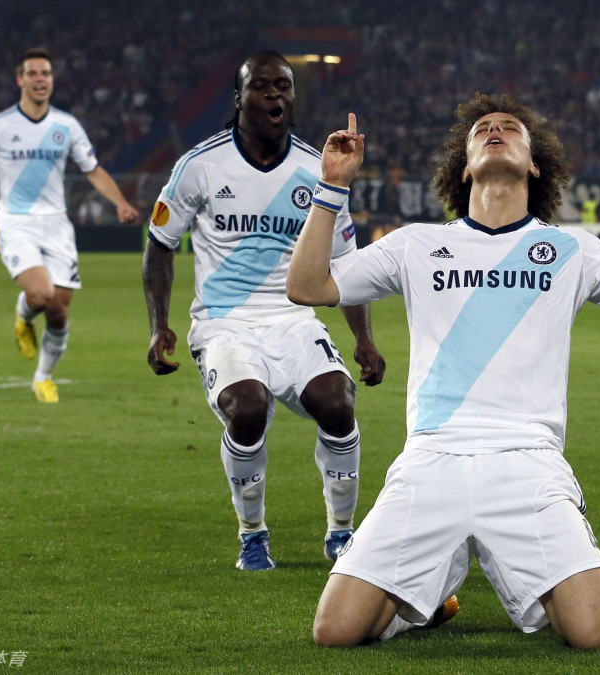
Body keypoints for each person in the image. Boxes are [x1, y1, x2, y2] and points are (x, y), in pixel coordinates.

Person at [287, 94, 600, 649]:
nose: (495, 129)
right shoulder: (418, 245)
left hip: (528, 461)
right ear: (463, 165)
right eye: (483, 128)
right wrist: (332, 186)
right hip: (432, 458)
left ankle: (526, 578)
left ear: (535, 164)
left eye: (510, 128)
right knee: (334, 632)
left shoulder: (570, 248)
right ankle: (423, 604)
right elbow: (307, 287)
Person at [142, 51, 386, 571]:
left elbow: (345, 262)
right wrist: (159, 325)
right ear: (239, 98)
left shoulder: (316, 171)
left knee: (337, 402)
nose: (275, 94)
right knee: (247, 408)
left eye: (284, 86)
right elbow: (160, 243)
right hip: (224, 324)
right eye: (262, 86)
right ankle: (252, 533)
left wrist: (364, 339)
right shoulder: (199, 166)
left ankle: (342, 534)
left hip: (294, 319)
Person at [0, 47, 139, 403]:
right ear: (20, 79)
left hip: (56, 224)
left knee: (59, 308)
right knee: (41, 294)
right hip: (15, 222)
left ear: (52, 81)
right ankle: (23, 316)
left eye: (46, 74)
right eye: (34, 73)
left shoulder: (67, 126)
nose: (41, 80)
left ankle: (43, 377)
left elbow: (93, 170)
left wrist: (120, 203)